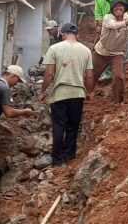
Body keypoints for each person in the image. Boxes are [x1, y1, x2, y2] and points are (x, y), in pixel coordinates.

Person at [39, 23, 94, 165]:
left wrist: (43, 91)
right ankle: (69, 157)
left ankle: (57, 160)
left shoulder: (54, 48)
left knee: (59, 126)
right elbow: (89, 75)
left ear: (63, 34)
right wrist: (89, 92)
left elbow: (49, 73)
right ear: (75, 35)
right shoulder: (86, 50)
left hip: (60, 94)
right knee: (73, 126)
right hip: (77, 94)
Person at [93, 0, 128, 104]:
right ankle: (85, 95)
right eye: (116, 6)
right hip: (102, 51)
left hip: (117, 53)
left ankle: (118, 101)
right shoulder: (108, 18)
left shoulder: (127, 17)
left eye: (120, 6)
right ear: (112, 9)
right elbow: (115, 25)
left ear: (124, 8)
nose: (118, 8)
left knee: (118, 76)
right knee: (93, 75)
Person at [92, 0, 126, 81]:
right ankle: (105, 71)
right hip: (105, 27)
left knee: (120, 48)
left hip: (118, 24)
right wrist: (98, 22)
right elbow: (98, 11)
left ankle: (116, 72)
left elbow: (119, 9)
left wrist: (109, 22)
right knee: (105, 48)